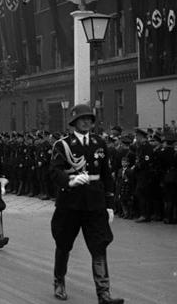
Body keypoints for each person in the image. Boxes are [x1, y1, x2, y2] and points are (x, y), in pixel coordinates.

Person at [49, 104, 123, 304]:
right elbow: (55, 172)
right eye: (82, 119)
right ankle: (59, 282)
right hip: (70, 203)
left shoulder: (99, 143)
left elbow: (107, 176)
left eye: (89, 119)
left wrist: (109, 204)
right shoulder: (62, 145)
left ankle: (103, 293)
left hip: (95, 203)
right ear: (74, 122)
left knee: (99, 246)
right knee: (63, 244)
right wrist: (70, 181)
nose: (86, 122)